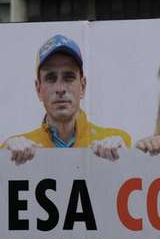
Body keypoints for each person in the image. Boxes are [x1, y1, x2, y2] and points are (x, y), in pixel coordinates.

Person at [2, 34, 131, 164]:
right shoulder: (15, 149)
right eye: (51, 78)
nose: (60, 88)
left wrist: (125, 159)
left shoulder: (116, 142)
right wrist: (4, 159)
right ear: (38, 89)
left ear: (83, 86)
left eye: (68, 77)